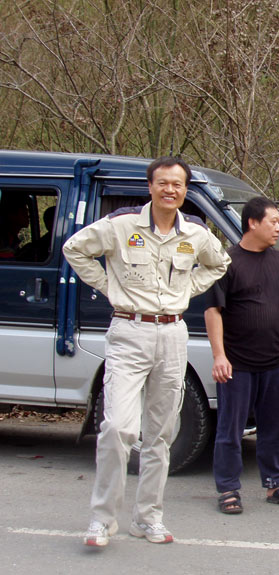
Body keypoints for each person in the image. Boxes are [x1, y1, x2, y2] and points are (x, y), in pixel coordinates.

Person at [63, 156, 231, 547]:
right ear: (150, 186)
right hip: (129, 331)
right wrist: (109, 286)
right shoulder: (121, 226)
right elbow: (75, 249)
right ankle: (102, 519)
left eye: (177, 184)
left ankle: (147, 517)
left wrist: (187, 290)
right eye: (163, 183)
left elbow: (219, 263)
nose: (170, 190)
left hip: (172, 334)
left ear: (185, 190)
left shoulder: (195, 233)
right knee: (118, 428)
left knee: (161, 434)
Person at [205, 196, 279, 515]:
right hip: (237, 363)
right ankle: (228, 488)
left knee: (274, 428)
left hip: (278, 362)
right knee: (230, 430)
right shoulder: (226, 261)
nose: (278, 228)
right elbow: (213, 310)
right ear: (252, 223)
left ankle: (275, 484)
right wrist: (219, 356)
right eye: (273, 221)